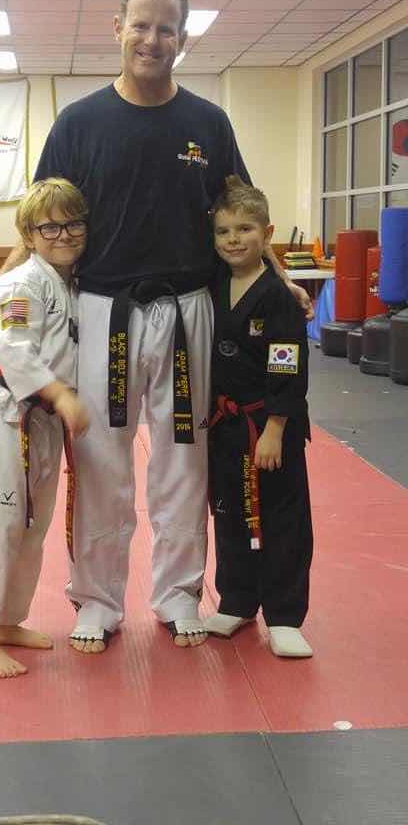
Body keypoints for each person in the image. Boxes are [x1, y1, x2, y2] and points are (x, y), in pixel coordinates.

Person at [0, 0, 311, 654]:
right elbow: (42, 216)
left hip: (190, 311)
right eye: (141, 25)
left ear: (183, 39)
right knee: (100, 459)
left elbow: (244, 213)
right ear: (118, 29)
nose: (152, 40)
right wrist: (5, 274)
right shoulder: (80, 122)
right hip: (104, 310)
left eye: (166, 29)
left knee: (183, 461)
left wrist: (282, 282)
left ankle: (178, 593)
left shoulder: (208, 122)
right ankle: (98, 600)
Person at [0, 178, 89, 677]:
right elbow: (12, 350)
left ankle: (8, 620)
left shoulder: (72, 282)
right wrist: (60, 394)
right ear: (29, 235)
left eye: (72, 223)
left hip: (45, 420)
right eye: (49, 227)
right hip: (9, 413)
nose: (63, 234)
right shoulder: (20, 284)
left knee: (33, 525)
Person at [204, 178, 313, 657]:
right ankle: (238, 601)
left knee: (282, 517)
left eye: (245, 229)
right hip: (225, 424)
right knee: (228, 511)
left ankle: (285, 616)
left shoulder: (277, 296)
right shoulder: (214, 283)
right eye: (224, 231)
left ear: (267, 234)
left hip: (269, 426)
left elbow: (287, 365)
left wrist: (275, 428)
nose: (233, 239)